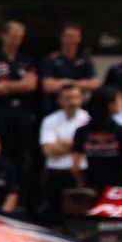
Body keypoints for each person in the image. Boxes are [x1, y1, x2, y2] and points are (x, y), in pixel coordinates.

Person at [0, 20, 39, 168]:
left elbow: (31, 85)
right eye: (14, 37)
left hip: (22, 115)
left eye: (20, 37)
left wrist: (5, 85)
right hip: (0, 115)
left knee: (23, 156)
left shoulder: (26, 60)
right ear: (4, 36)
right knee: (1, 154)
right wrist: (20, 85)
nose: (17, 41)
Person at [71, 87, 122, 192]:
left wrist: (82, 183)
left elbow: (75, 168)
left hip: (92, 188)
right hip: (118, 190)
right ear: (111, 105)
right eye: (119, 99)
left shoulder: (81, 132)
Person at [38, 83, 88, 225]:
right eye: (68, 98)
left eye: (75, 97)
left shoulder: (88, 119)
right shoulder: (50, 120)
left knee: (80, 217)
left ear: (81, 99)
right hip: (56, 173)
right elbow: (48, 150)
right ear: (60, 101)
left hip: (80, 172)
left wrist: (63, 144)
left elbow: (87, 147)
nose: (72, 102)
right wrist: (75, 145)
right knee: (54, 216)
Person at [39, 23, 97, 98]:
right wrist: (82, 84)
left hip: (79, 106)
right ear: (62, 38)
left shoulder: (85, 60)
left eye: (76, 37)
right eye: (69, 37)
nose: (72, 40)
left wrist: (67, 83)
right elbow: (48, 86)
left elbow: (94, 84)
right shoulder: (50, 60)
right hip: (55, 106)